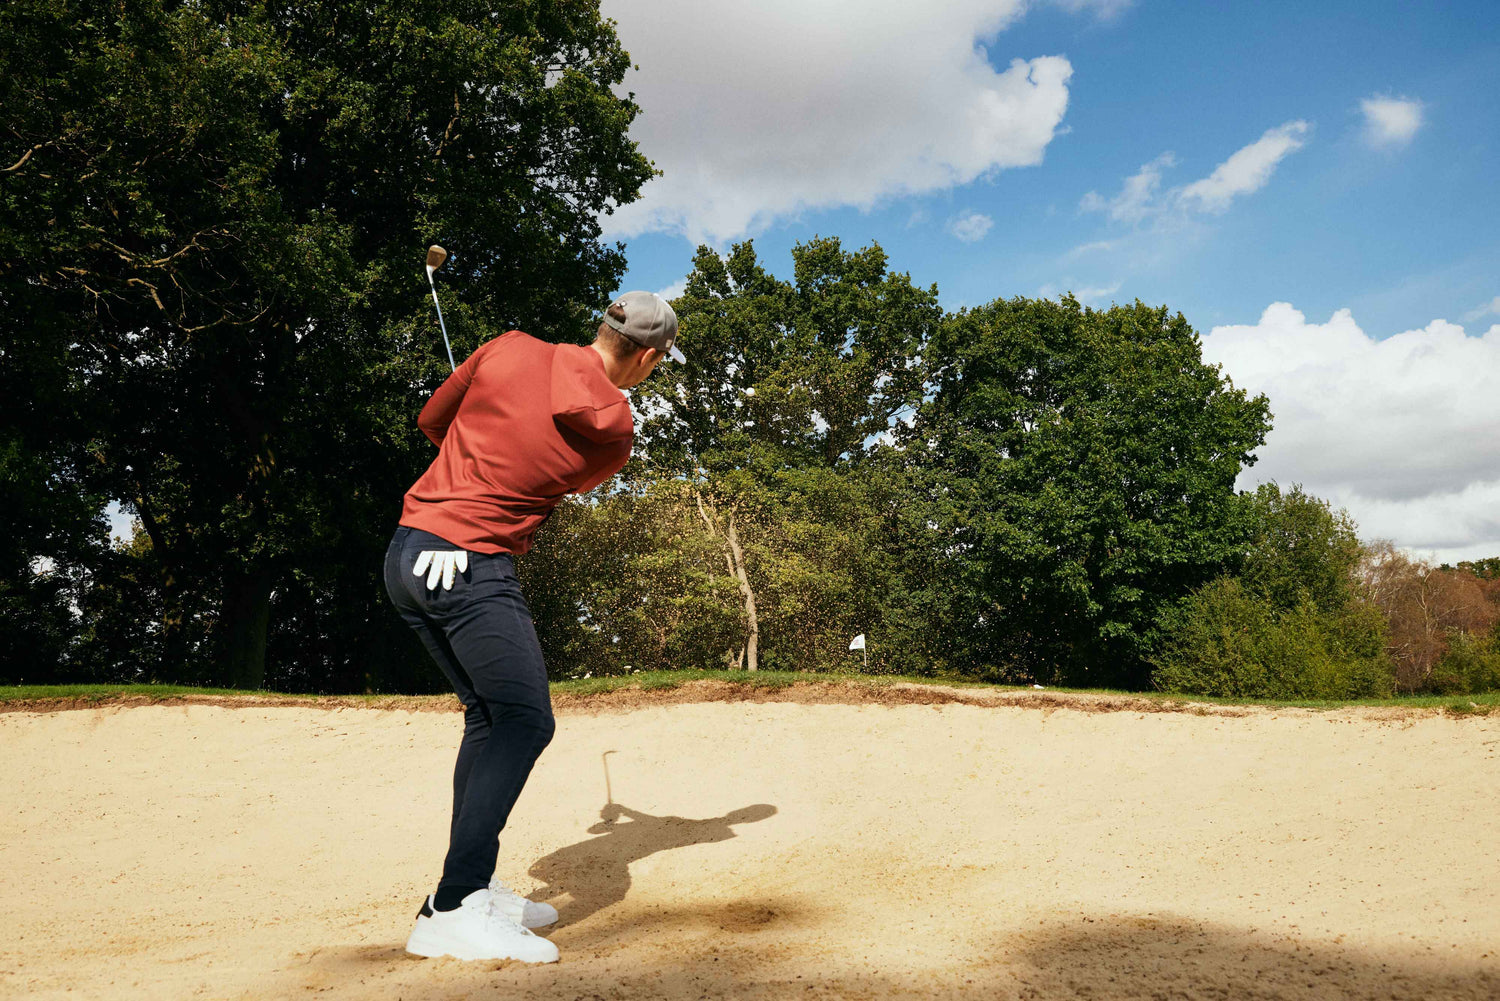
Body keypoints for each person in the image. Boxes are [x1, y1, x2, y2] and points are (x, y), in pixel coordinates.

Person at [383, 291, 683, 964]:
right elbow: (577, 482)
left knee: (488, 718)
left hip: (407, 551)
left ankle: (467, 889)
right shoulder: (614, 420)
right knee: (526, 722)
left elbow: (433, 420)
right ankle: (455, 904)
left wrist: (479, 434)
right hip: (467, 564)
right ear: (649, 356)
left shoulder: (506, 345)